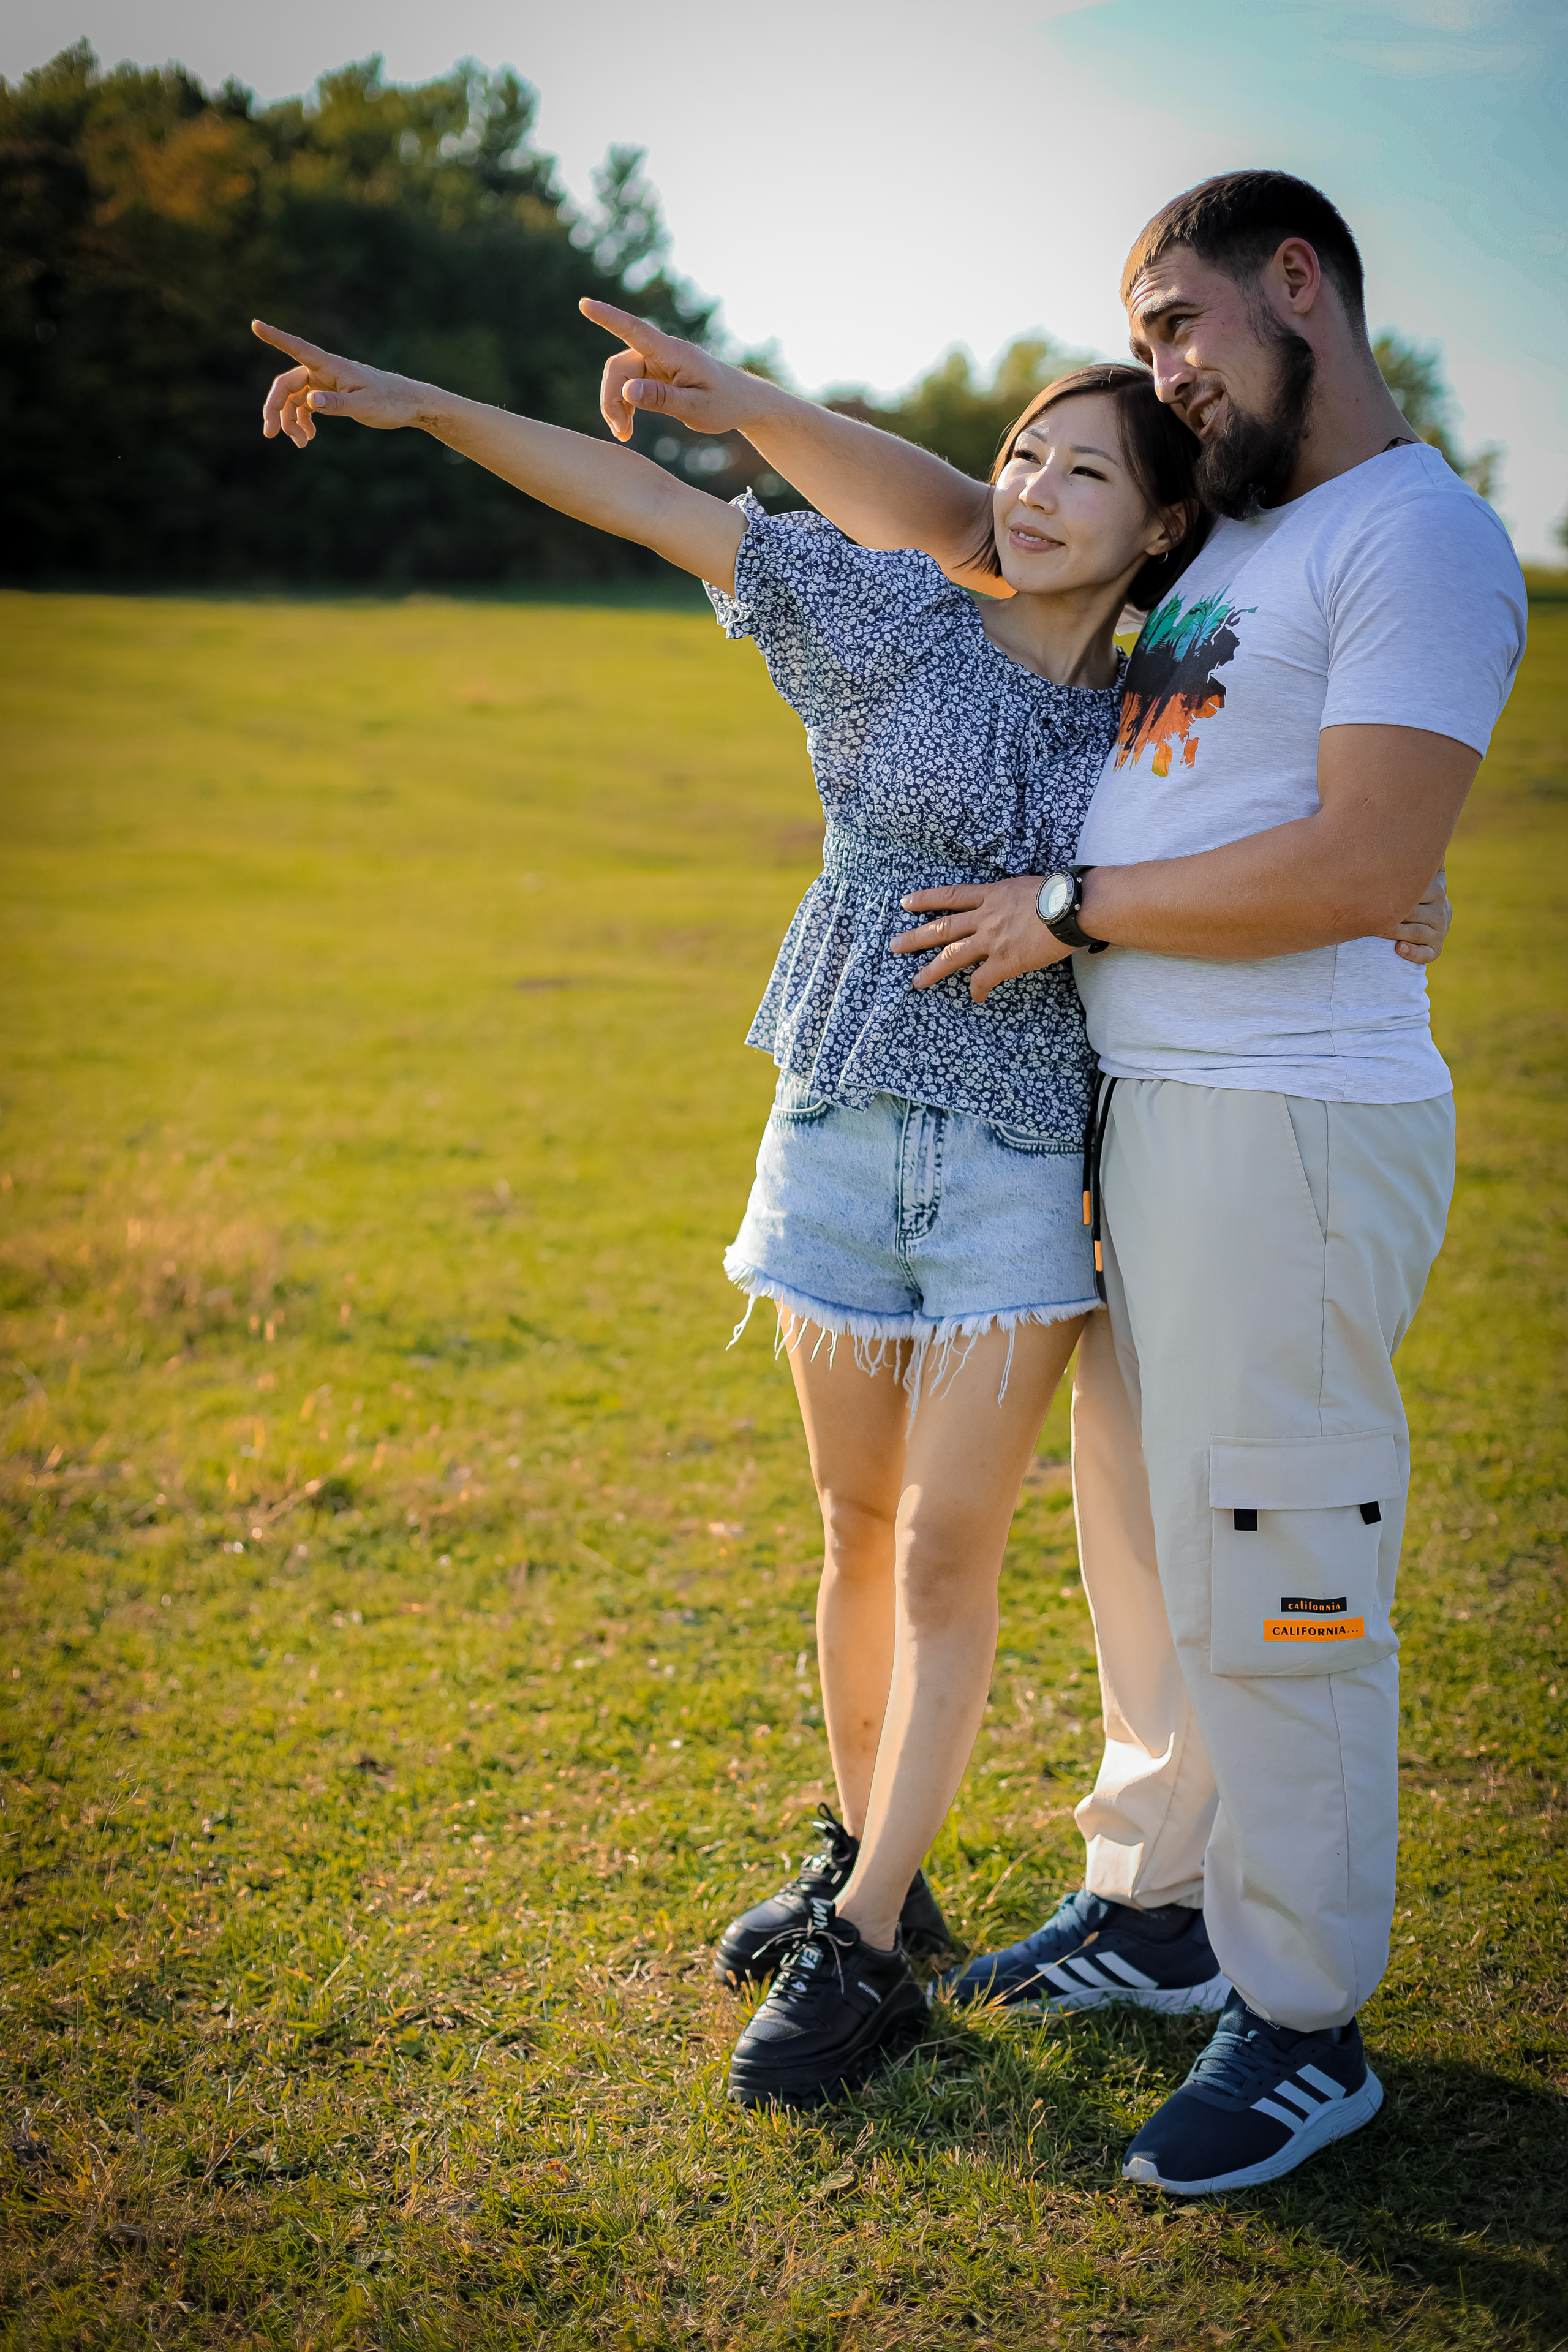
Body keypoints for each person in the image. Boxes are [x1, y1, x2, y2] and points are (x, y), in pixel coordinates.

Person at [580, 165, 1521, 2193]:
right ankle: (1160, 1906)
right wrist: (748, 401)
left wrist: (1071, 907)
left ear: (1297, 283)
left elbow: (1368, 858)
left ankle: (1305, 2018)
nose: (1162, 369)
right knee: (1144, 1552)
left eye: (1179, 323)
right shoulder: (1233, 525)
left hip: (1288, 1116)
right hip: (1129, 1107)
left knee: (1279, 1556)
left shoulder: (1420, 537)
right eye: (1142, 339)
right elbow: (957, 512)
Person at [251, 314, 1235, 2112]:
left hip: (1018, 1166)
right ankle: (880, 1869)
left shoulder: (1178, 717)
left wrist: (1397, 900)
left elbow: (1314, 841)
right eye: (1021, 454)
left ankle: (862, 1960)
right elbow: (648, 503)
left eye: (1086, 470)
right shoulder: (891, 616)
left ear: (1164, 525)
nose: (1031, 489)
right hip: (835, 1129)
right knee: (855, 1530)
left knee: (945, 1556)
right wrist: (421, 406)